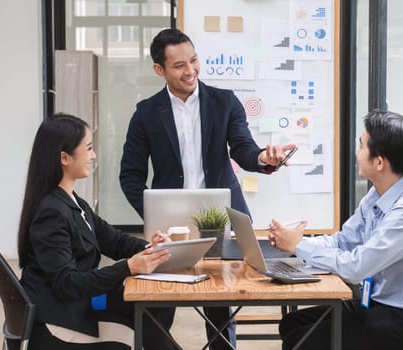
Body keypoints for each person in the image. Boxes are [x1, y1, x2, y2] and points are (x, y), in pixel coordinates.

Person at [119, 28, 295, 349]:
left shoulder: (224, 102)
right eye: (178, 66)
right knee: (159, 302)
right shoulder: (146, 113)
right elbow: (129, 176)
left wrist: (263, 157)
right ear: (160, 70)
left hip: (222, 219)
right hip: (170, 223)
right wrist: (153, 215)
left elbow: (243, 149)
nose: (190, 71)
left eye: (194, 60)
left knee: (221, 301)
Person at [268, 110, 403, 350]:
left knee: (300, 342)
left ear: (380, 162)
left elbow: (356, 267)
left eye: (361, 146)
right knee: (292, 324)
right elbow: (343, 241)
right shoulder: (378, 192)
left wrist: (298, 246)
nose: (357, 151)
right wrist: (299, 242)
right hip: (375, 303)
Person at [18, 114, 177, 350]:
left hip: (77, 306)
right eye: (89, 148)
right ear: (64, 157)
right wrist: (128, 267)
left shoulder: (73, 201)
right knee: (144, 326)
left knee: (151, 314)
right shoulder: (51, 213)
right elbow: (67, 283)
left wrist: (152, 248)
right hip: (60, 323)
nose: (93, 156)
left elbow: (113, 240)